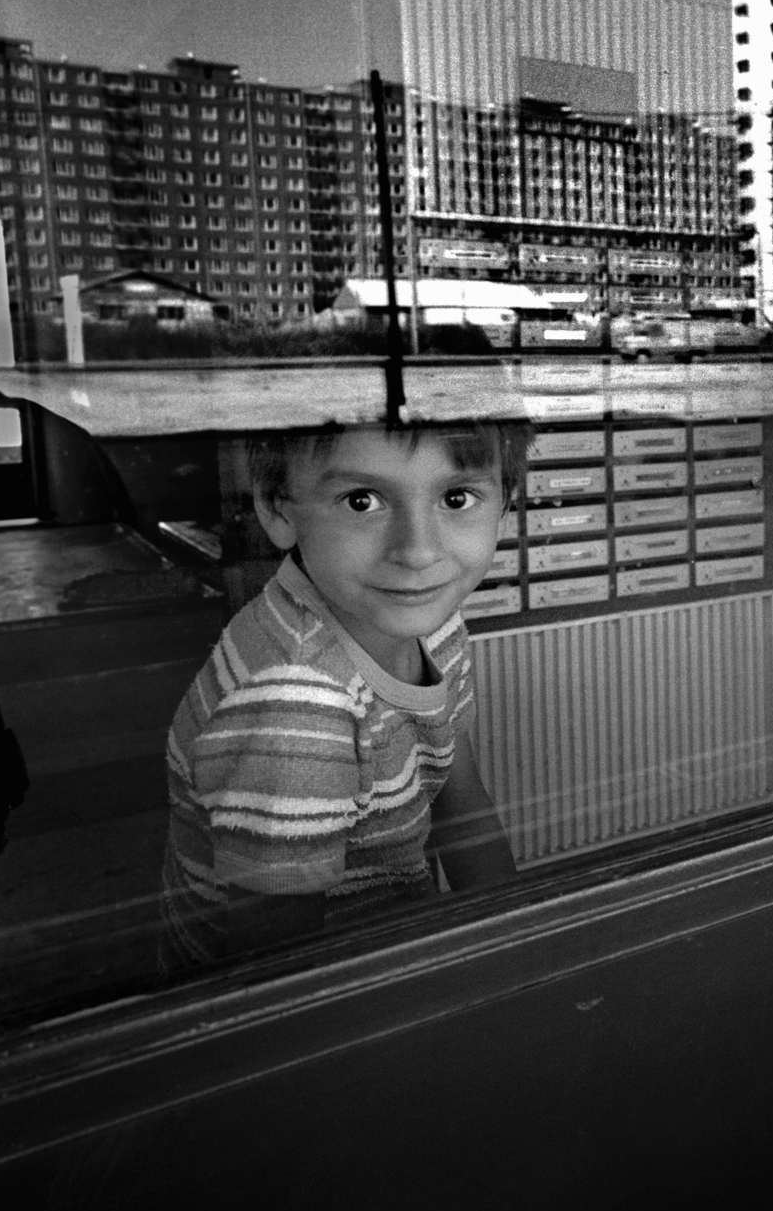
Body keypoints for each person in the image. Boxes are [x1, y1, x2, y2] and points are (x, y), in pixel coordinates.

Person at [159, 413, 527, 968]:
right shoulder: (294, 705)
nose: (418, 552)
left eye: (456, 498)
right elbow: (283, 976)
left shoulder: (428, 618)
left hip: (391, 947)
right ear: (279, 508)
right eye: (361, 501)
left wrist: (517, 944)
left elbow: (458, 790)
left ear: (506, 501)